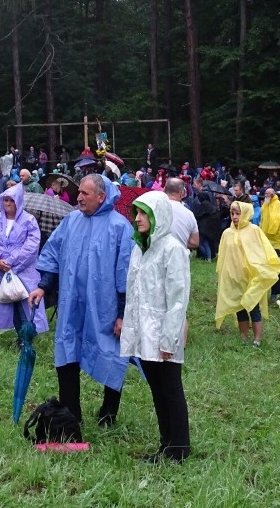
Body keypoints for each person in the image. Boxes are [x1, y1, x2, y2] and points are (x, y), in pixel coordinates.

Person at [28, 175, 133, 426]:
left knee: (111, 355)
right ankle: (70, 414)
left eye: (85, 193)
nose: (78, 197)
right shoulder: (71, 221)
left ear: (101, 197)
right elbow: (53, 254)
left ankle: (109, 412)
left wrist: (122, 313)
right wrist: (43, 287)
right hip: (72, 303)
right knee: (67, 352)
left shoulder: (120, 228)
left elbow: (126, 273)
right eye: (79, 193)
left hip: (105, 307)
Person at [120, 191, 191, 463]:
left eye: (143, 213)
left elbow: (177, 299)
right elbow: (134, 295)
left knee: (171, 388)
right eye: (136, 212)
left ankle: (180, 448)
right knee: (157, 390)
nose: (137, 218)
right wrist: (132, 331)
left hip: (164, 332)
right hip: (143, 332)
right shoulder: (140, 248)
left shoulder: (172, 249)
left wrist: (168, 339)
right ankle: (166, 444)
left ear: (157, 216)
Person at [0, 184, 48, 336]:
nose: (8, 204)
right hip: (1, 270)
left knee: (26, 303)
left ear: (18, 201)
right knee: (7, 301)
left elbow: (31, 245)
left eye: (11, 200)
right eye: (5, 200)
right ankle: (18, 333)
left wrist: (11, 261)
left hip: (24, 270)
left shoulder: (29, 220)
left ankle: (27, 336)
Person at [215, 200, 280, 347]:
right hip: (234, 278)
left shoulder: (254, 230)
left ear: (245, 213)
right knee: (239, 309)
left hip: (251, 279)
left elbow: (262, 251)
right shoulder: (227, 233)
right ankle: (243, 337)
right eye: (232, 213)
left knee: (253, 307)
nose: (235, 216)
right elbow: (224, 257)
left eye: (238, 213)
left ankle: (257, 339)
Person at [164, 177, 199, 250]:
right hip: (181, 257)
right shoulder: (189, 214)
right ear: (182, 193)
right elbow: (195, 242)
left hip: (158, 257)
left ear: (164, 190)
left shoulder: (155, 209)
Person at [193, 190, 222, 261]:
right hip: (209, 229)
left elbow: (198, 214)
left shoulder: (204, 204)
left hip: (204, 229)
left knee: (200, 243)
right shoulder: (210, 205)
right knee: (205, 243)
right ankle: (208, 257)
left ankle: (207, 256)